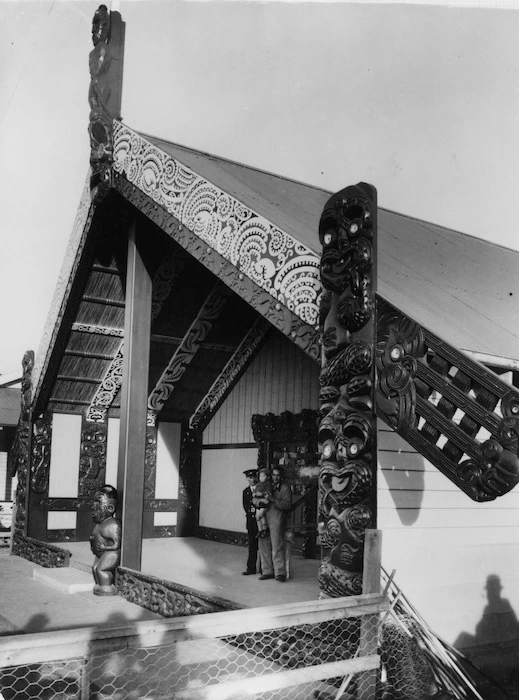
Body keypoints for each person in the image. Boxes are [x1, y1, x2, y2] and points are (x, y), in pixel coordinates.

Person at [258, 466, 292, 582]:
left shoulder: (285, 488)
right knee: (264, 543)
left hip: (276, 516)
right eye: (273, 475)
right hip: (264, 516)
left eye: (278, 475)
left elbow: (287, 505)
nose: (275, 477)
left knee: (277, 544)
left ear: (281, 476)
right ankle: (267, 571)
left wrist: (272, 499)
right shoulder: (265, 484)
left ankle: (280, 572)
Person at [90, 485, 121, 596]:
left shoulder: (112, 525)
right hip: (101, 553)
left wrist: (105, 548)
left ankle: (106, 586)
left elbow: (117, 544)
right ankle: (99, 585)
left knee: (100, 570)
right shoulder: (100, 524)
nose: (93, 506)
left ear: (110, 508)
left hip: (110, 553)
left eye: (98, 502)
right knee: (94, 568)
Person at [242, 469, 259, 575]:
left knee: (263, 546)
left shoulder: (261, 489)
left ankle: (264, 569)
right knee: (252, 546)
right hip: (251, 522)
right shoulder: (246, 492)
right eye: (250, 477)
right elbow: (245, 507)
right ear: (247, 478)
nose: (252, 480)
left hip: (261, 521)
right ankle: (251, 568)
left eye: (254, 477)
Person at [252, 468, 273, 537]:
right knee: (258, 517)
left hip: (264, 503)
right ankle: (260, 530)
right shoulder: (258, 484)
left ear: (268, 477)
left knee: (260, 515)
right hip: (258, 502)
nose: (261, 478)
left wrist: (261, 494)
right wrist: (254, 494)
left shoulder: (268, 484)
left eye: (263, 476)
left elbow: (268, 493)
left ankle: (265, 529)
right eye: (260, 476)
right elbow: (255, 492)